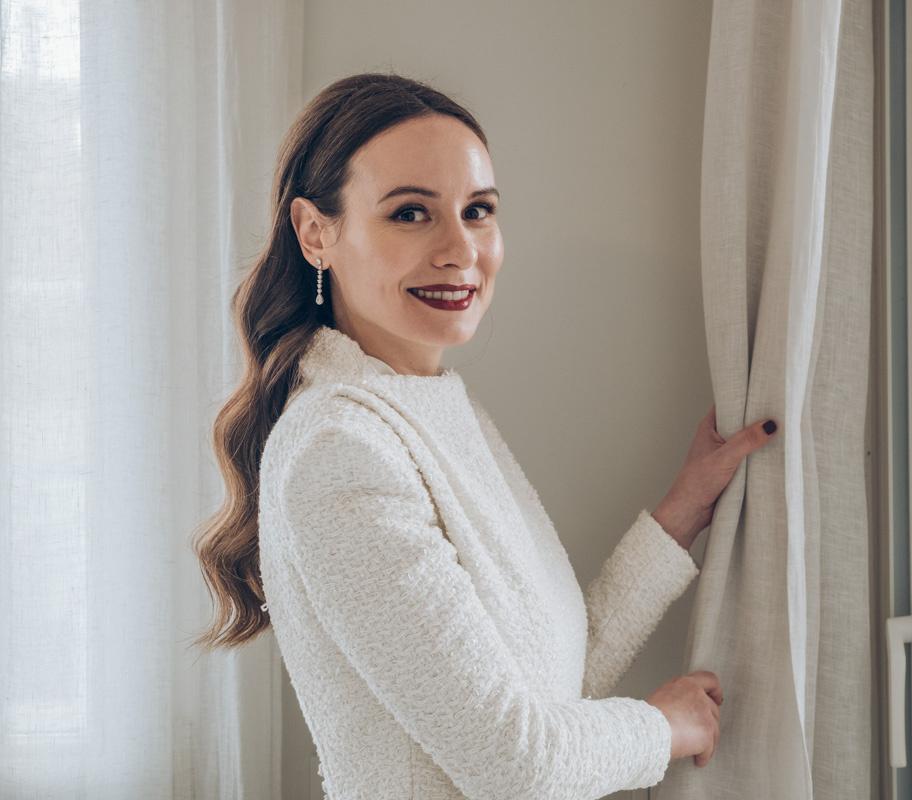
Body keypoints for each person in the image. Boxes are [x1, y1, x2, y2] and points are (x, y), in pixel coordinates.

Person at [191, 72, 779, 799]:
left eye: (478, 211)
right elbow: (515, 764)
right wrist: (663, 728)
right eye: (411, 213)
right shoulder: (338, 450)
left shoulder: (433, 409)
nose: (460, 249)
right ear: (317, 233)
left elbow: (544, 682)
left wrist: (682, 512)